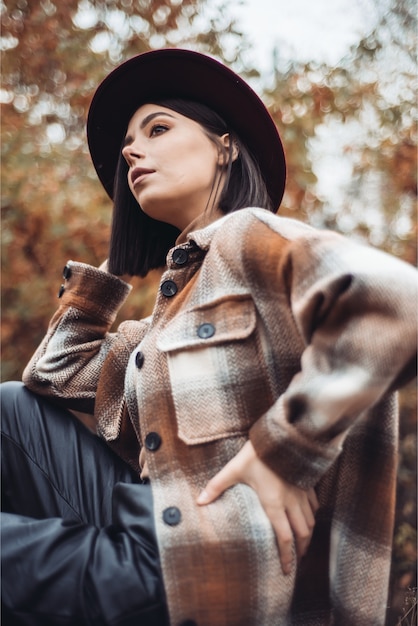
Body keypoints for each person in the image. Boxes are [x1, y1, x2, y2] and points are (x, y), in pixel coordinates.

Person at [1, 48, 417, 626]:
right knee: (10, 408)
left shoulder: (251, 236)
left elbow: (397, 303)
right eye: (129, 142)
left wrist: (283, 455)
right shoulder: (162, 324)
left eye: (158, 128)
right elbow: (50, 377)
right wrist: (117, 267)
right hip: (149, 531)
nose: (130, 150)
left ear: (225, 145)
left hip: (215, 570)